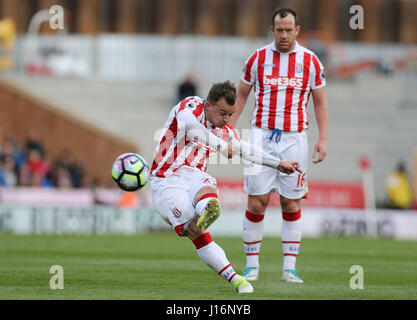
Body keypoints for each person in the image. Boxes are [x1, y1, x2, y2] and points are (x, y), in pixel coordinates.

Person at [150, 80, 301, 293]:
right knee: (195, 231)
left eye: (231, 114)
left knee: (206, 185)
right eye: (223, 113)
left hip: (193, 175)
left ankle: (208, 210)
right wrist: (222, 146)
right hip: (166, 179)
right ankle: (231, 271)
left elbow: (246, 149)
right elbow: (192, 130)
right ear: (209, 104)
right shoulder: (190, 106)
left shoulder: (225, 129)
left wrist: (278, 163)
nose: (227, 119)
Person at [230, 8, 329, 283]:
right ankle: (252, 266)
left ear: (298, 30)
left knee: (290, 201)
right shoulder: (257, 58)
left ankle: (289, 268)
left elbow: (320, 102)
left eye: (289, 29)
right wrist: (229, 130)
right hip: (261, 137)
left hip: (295, 139)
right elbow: (241, 94)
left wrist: (322, 139)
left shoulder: (310, 61)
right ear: (272, 30)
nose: (284, 34)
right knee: (257, 201)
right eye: (279, 29)